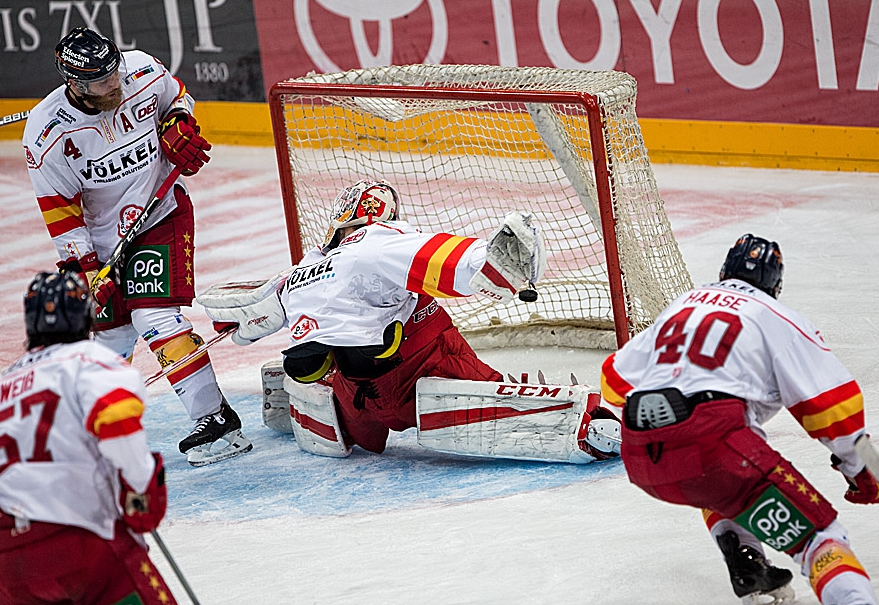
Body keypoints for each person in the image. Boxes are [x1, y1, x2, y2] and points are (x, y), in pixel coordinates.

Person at [600, 234, 879, 605]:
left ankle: (747, 560)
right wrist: (862, 471)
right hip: (713, 446)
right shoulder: (777, 316)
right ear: (775, 285)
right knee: (817, 531)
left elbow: (614, 380)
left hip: (640, 452)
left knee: (718, 481)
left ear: (725, 272)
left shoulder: (684, 304)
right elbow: (832, 408)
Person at [197, 179, 622, 463]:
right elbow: (439, 258)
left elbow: (245, 317)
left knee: (321, 364)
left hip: (355, 396)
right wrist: (494, 263)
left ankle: (307, 399)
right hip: (423, 367)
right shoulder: (375, 241)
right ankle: (588, 424)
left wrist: (233, 326)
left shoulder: (300, 274)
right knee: (434, 328)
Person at [22, 27, 249, 466]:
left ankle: (218, 422)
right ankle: (98, 431)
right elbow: (61, 212)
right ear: (75, 83)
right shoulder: (46, 134)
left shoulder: (140, 68)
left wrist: (178, 123)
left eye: (114, 71)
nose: (115, 83)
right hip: (105, 242)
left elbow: (177, 95)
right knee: (109, 338)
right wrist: (87, 271)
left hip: (160, 212)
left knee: (154, 314)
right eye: (101, 80)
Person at [0, 271, 187, 605]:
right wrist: (142, 494)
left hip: (11, 565)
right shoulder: (92, 360)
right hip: (82, 548)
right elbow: (121, 434)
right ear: (86, 314)